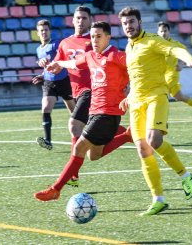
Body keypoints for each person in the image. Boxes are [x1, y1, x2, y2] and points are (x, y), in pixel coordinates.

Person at [34, 21, 132, 202]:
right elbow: (73, 63)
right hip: (95, 111)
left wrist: (130, 92)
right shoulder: (90, 56)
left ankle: (56, 189)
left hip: (108, 113)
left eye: (99, 36)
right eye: (93, 36)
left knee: (79, 147)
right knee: (93, 155)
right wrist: (59, 64)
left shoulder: (117, 56)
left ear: (108, 37)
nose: (94, 40)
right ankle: (127, 135)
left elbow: (137, 71)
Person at [118, 6, 192, 216]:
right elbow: (135, 76)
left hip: (156, 97)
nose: (129, 26)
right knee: (143, 150)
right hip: (136, 103)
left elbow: (173, 50)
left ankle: (185, 175)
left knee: (153, 140)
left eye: (132, 22)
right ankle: (158, 199)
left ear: (140, 23)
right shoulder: (128, 47)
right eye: (125, 23)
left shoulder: (152, 40)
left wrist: (188, 57)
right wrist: (128, 96)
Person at [36, 6, 92, 187]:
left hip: (92, 89)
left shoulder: (94, 40)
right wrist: (46, 67)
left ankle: (72, 176)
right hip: (72, 88)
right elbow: (57, 65)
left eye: (84, 18)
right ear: (73, 20)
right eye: (78, 18)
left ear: (90, 20)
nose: (81, 21)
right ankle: (129, 134)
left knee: (74, 125)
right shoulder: (65, 43)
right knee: (95, 149)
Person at [32, 19, 76, 150]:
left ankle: (85, 136)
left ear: (49, 31)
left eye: (46, 30)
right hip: (49, 82)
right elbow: (47, 68)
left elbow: (62, 59)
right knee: (45, 108)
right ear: (37, 33)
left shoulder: (56, 44)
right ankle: (48, 141)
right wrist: (42, 75)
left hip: (63, 81)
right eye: (41, 31)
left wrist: (50, 61)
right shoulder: (39, 49)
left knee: (74, 112)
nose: (44, 32)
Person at [157, 21, 192, 122]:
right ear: (158, 33)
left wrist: (181, 64)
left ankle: (160, 120)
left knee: (160, 93)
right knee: (179, 97)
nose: (163, 33)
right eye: (161, 31)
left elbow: (185, 53)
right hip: (161, 74)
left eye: (165, 31)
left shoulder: (175, 44)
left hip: (172, 74)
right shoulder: (156, 44)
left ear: (169, 32)